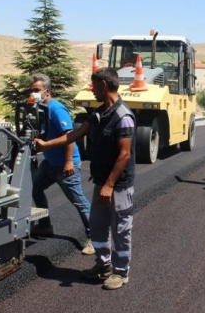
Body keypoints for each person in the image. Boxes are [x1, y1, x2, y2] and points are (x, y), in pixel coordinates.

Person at [35, 68, 136, 290]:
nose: (91, 90)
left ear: (102, 85)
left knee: (120, 229)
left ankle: (121, 271)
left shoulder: (123, 116)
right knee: (98, 228)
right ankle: (103, 265)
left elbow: (124, 154)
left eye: (93, 86)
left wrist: (109, 185)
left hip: (117, 186)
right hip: (101, 182)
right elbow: (74, 134)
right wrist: (46, 145)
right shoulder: (99, 113)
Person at [28, 74, 94, 255]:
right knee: (36, 189)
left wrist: (67, 162)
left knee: (78, 201)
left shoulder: (56, 109)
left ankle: (94, 237)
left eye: (36, 90)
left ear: (47, 91)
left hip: (65, 165)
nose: (33, 94)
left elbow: (69, 137)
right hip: (50, 163)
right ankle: (45, 226)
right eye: (31, 90)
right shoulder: (39, 108)